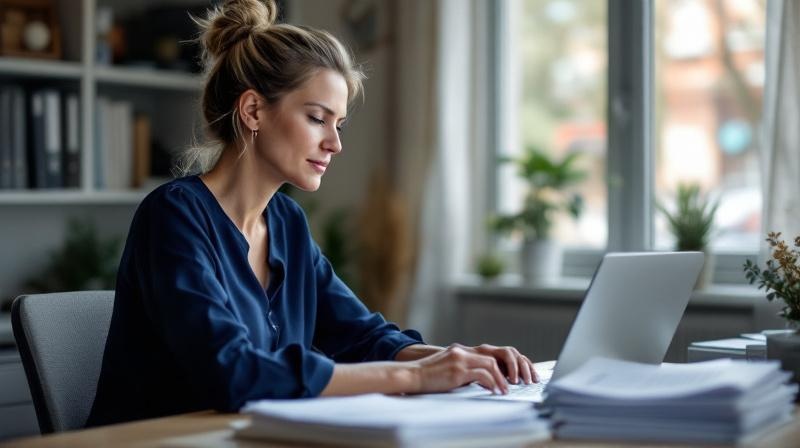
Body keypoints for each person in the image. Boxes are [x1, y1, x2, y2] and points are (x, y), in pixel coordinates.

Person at [86, 0, 536, 427]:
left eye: (338, 125)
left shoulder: (286, 223)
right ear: (253, 110)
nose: (335, 144)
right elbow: (233, 375)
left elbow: (362, 336)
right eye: (318, 118)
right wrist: (416, 377)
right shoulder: (174, 216)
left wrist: (454, 358)